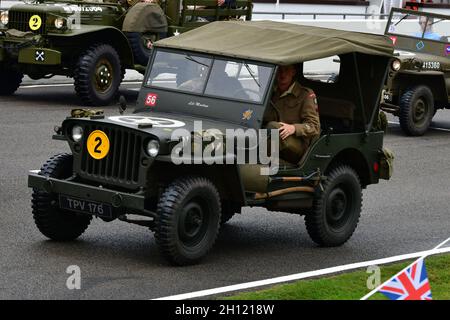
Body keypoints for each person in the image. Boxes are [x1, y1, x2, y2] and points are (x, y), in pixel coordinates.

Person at [263, 65, 321, 164]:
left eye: (286, 70)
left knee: (273, 127)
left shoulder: (305, 94)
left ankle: (260, 164)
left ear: (293, 72)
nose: (282, 74)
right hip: (273, 136)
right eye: (279, 70)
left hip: (298, 143)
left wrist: (293, 128)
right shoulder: (271, 92)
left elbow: (314, 126)